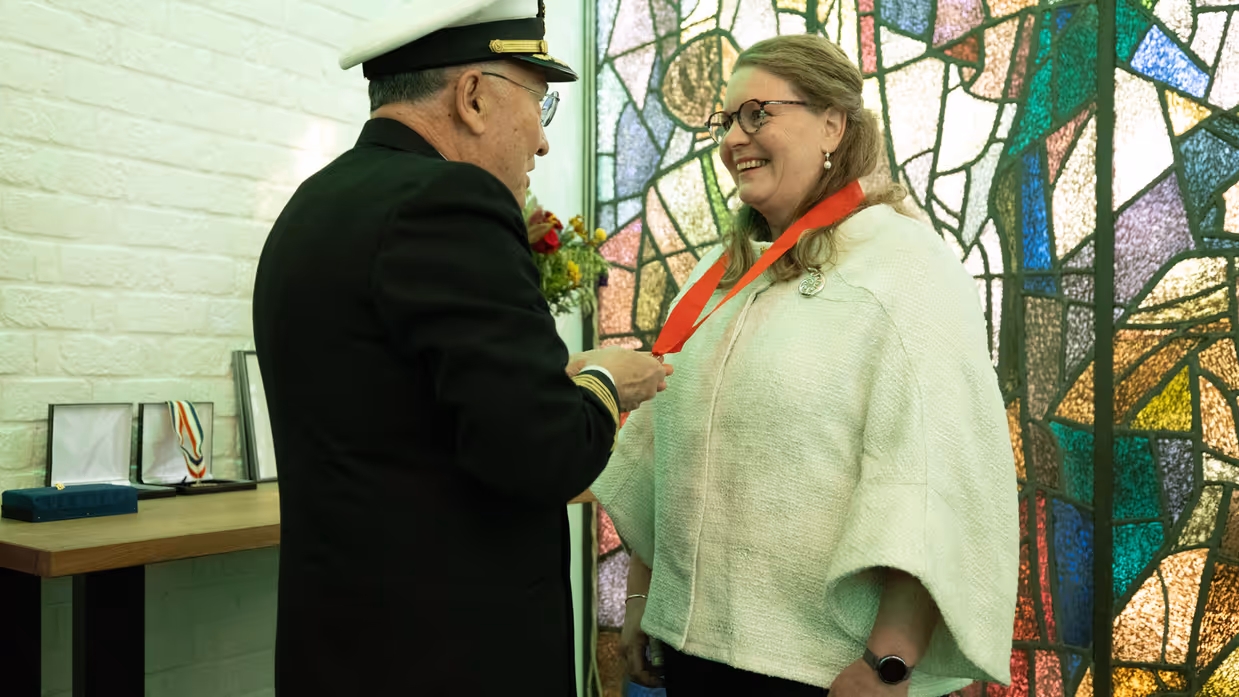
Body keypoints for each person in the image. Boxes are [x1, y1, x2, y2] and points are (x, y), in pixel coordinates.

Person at [251, 1, 672, 695]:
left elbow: (402, 401)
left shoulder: (314, 203)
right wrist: (601, 380)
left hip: (340, 645)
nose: (540, 141)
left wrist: (539, 377)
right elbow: (544, 455)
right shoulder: (451, 203)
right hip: (453, 654)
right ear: (473, 97)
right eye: (538, 101)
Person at [591, 34, 1019, 697]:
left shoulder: (905, 268)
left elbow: (934, 476)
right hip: (695, 653)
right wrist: (645, 597)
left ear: (832, 124)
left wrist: (888, 662)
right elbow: (664, 447)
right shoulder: (716, 278)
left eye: (757, 113)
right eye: (727, 119)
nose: (735, 137)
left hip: (821, 669)